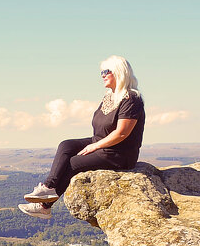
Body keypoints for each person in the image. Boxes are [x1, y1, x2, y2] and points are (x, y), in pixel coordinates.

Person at [19, 55, 145, 219]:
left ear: (120, 72)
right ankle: (48, 188)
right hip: (102, 144)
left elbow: (122, 133)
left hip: (118, 154)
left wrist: (95, 146)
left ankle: (44, 206)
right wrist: (96, 144)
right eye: (101, 72)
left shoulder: (131, 98)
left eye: (107, 71)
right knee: (66, 145)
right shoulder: (108, 97)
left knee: (73, 163)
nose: (103, 75)